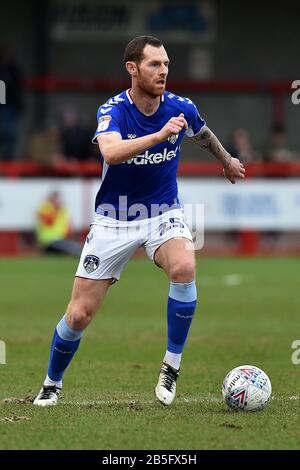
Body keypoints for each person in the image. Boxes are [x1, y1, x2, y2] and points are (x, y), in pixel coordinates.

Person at [33, 36, 245, 407]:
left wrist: (226, 160)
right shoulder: (113, 110)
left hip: (163, 213)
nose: (163, 71)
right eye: (154, 65)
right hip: (114, 220)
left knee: (184, 265)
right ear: (132, 68)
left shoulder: (181, 106)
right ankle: (52, 382)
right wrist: (159, 135)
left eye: (166, 64)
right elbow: (111, 152)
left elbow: (203, 134)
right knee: (79, 314)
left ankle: (171, 367)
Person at [36, 191, 82, 256]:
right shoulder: (46, 208)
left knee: (77, 247)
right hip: (48, 241)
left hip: (60, 240)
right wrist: (55, 210)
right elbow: (47, 221)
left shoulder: (63, 210)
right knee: (75, 249)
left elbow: (68, 226)